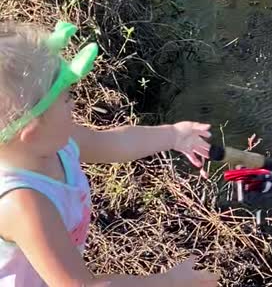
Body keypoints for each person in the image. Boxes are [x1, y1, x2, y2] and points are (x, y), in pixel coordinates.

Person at [0, 21, 219, 286]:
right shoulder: (24, 206)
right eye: (67, 98)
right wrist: (171, 281)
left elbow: (116, 143)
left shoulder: (57, 143)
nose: (74, 104)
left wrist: (173, 135)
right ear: (33, 131)